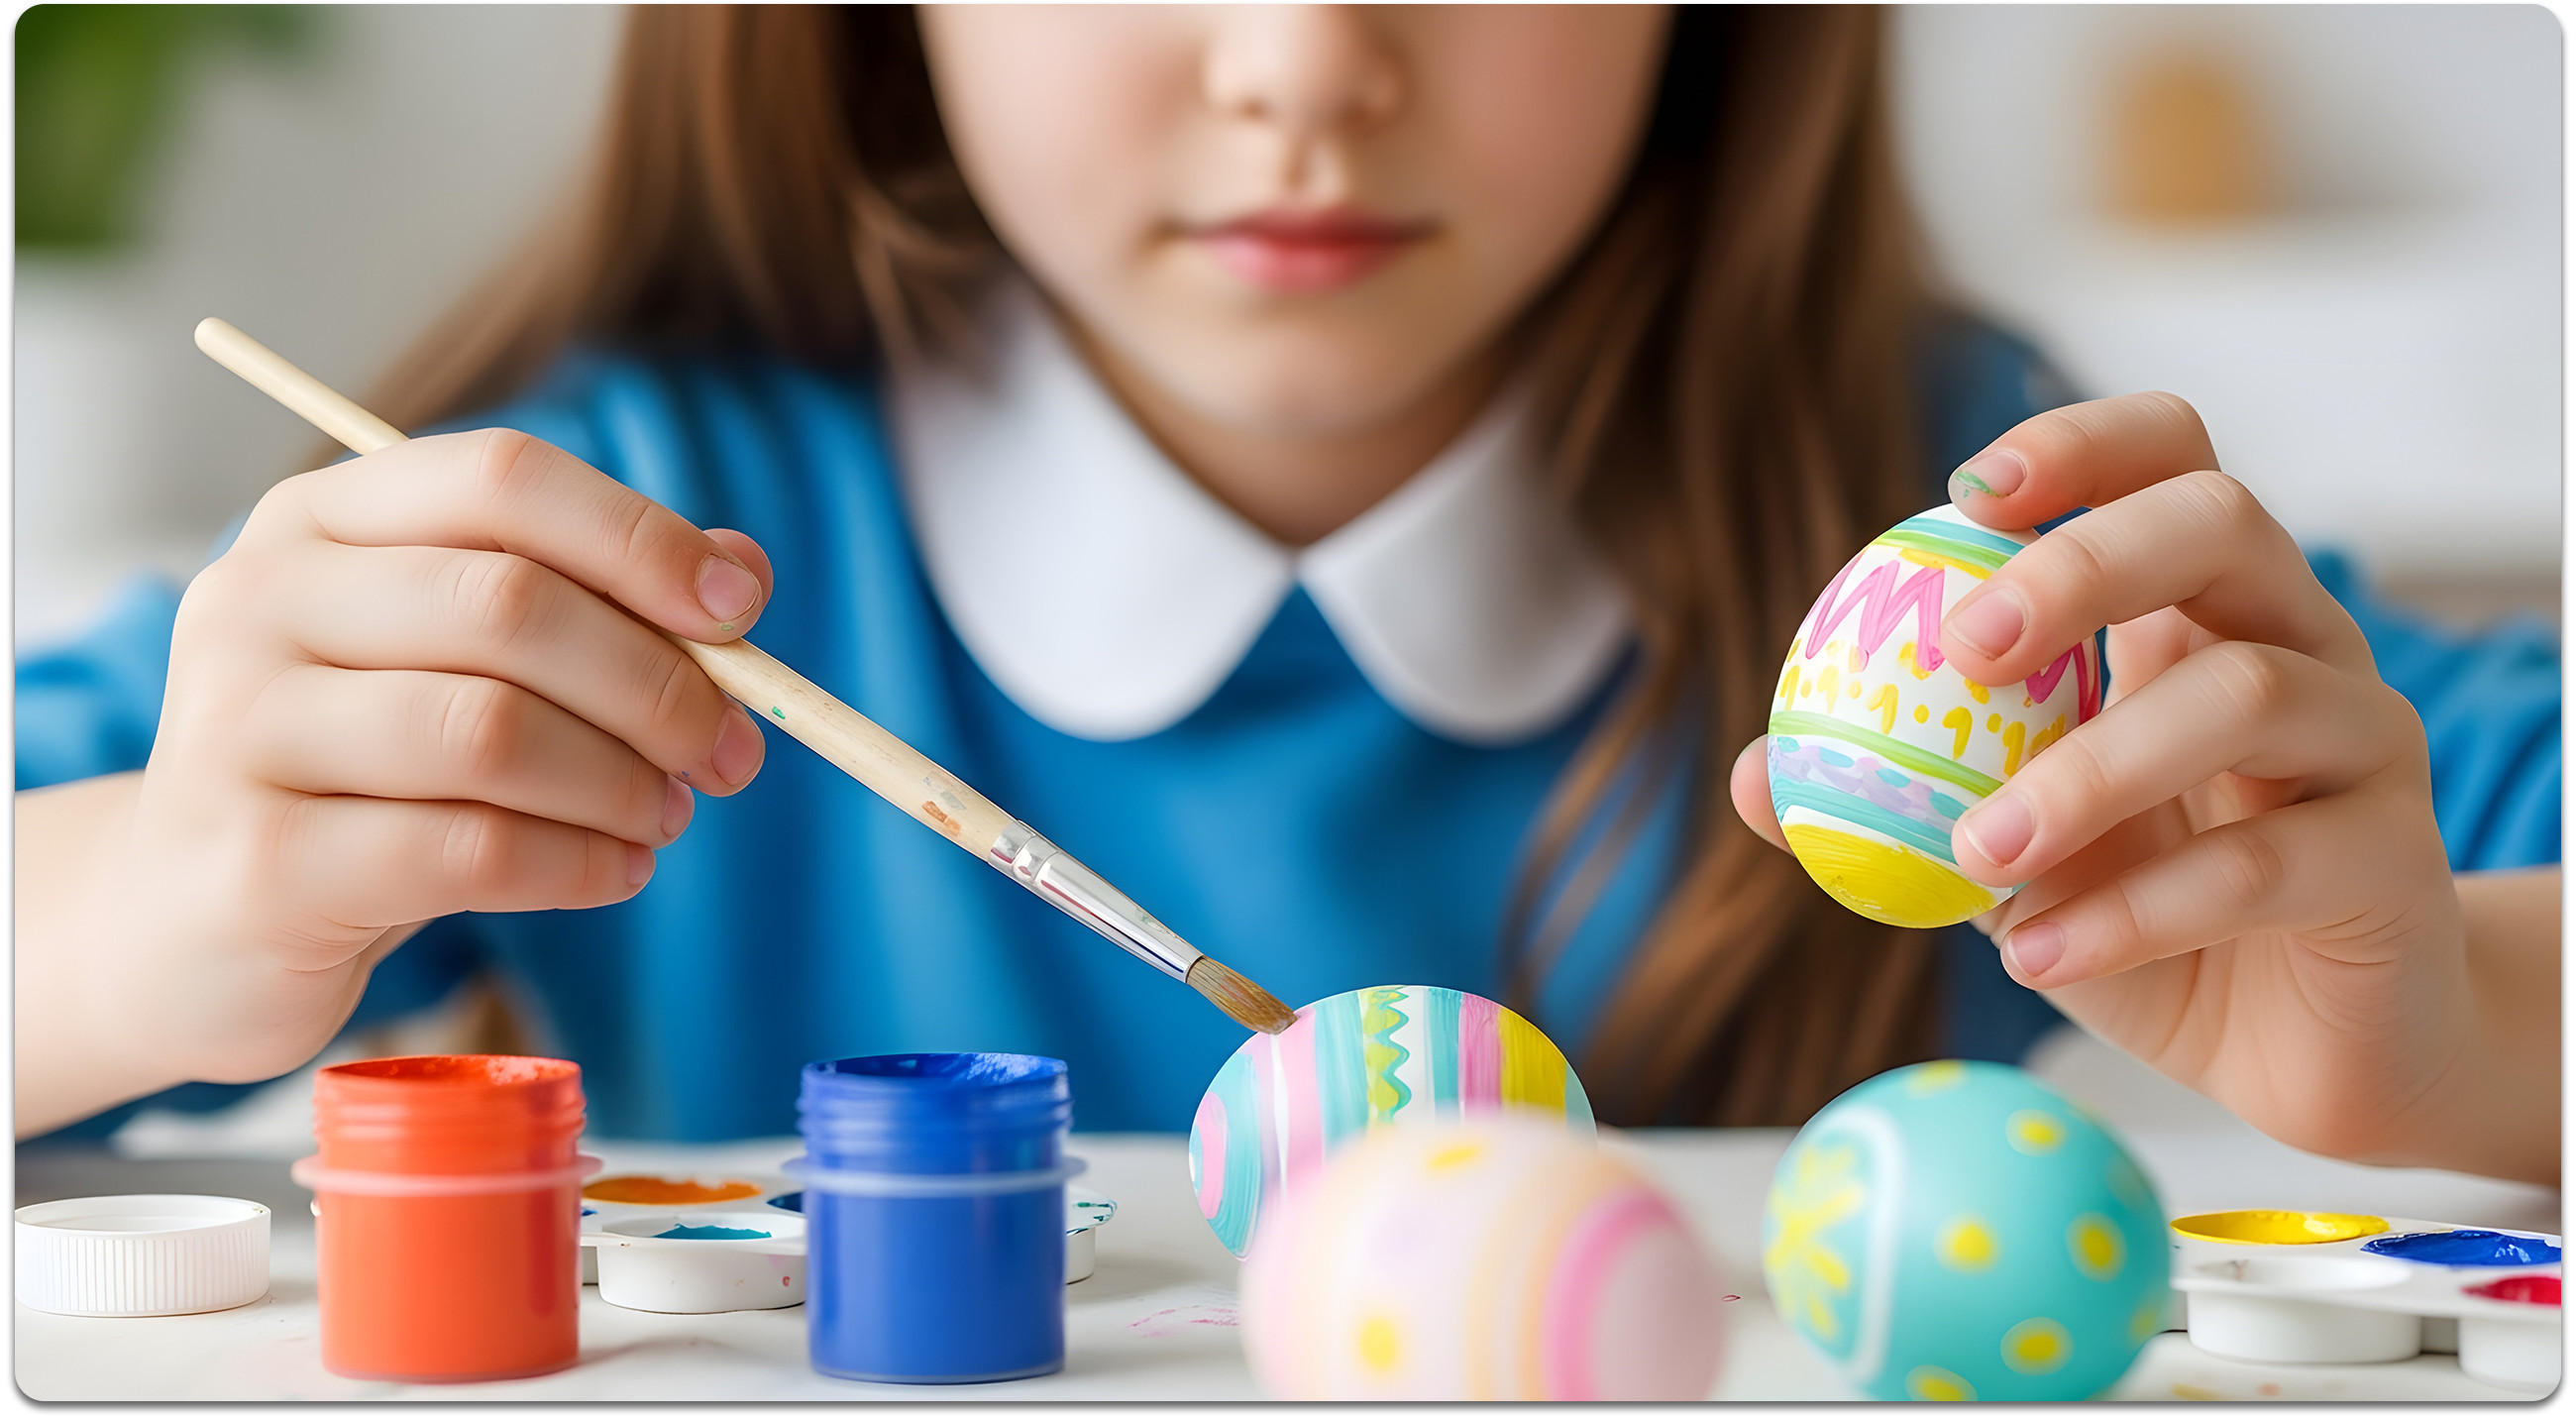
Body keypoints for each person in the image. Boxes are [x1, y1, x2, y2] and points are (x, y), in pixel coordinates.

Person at [14, 8, 2559, 1181]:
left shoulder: (1955, 552)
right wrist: (138, 911)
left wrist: (2458, 1030)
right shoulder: (613, 517)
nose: (1305, 60)